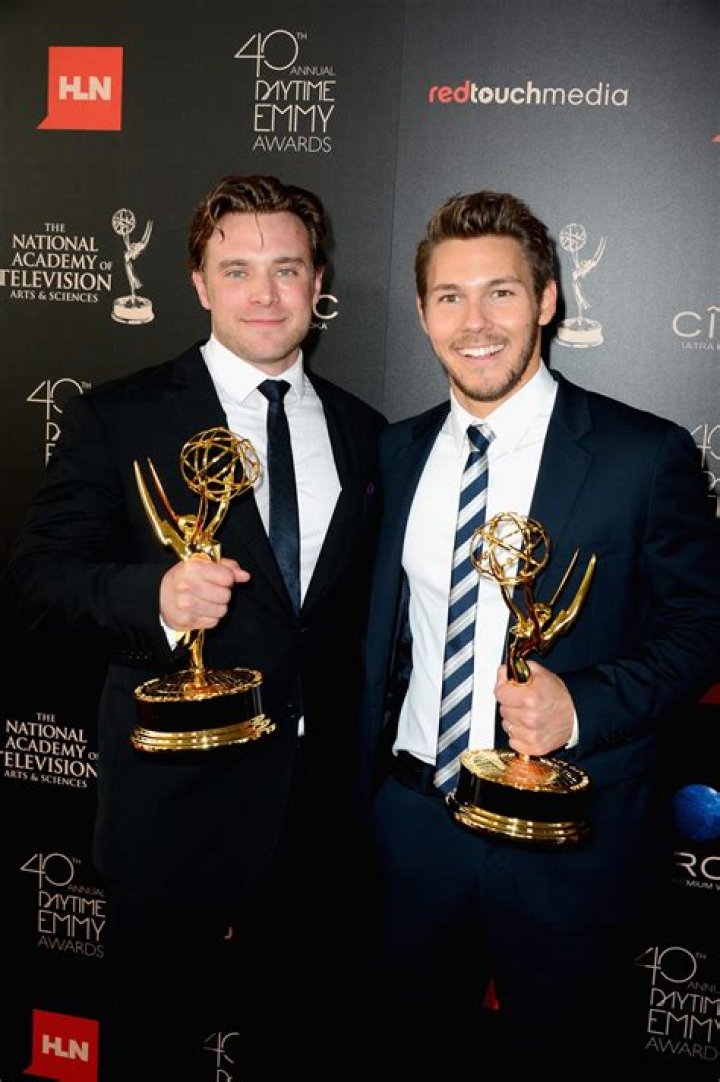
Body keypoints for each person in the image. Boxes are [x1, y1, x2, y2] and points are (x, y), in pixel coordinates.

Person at [2, 174, 386, 1080]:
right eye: (237, 269)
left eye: (286, 269)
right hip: (171, 807)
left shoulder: (369, 433)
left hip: (318, 819)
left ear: (317, 281)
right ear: (199, 283)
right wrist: (157, 599)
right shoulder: (120, 416)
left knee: (303, 1049)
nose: (265, 294)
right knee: (152, 1049)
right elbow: (35, 582)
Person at [358, 189, 720, 1074]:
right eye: (450, 297)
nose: (475, 322)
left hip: (571, 840)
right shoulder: (394, 453)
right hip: (412, 826)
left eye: (502, 292)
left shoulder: (642, 455)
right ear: (423, 313)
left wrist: (581, 707)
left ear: (548, 300)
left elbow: (703, 625)